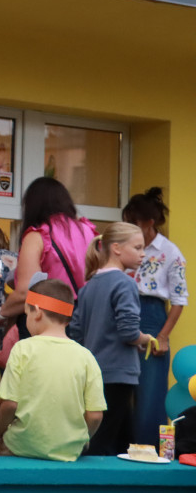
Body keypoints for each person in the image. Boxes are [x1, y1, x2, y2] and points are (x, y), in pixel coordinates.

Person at [0, 279, 105, 461]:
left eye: (27, 314)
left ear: (38, 312)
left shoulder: (22, 349)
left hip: (20, 447)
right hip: (67, 452)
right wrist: (82, 439)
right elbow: (95, 415)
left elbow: (9, 404)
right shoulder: (86, 357)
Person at [68, 222, 153, 456]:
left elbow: (75, 331)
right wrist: (144, 337)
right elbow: (128, 331)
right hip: (119, 372)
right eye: (137, 247)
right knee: (104, 444)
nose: (143, 253)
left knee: (122, 440)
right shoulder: (125, 283)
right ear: (116, 248)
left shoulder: (88, 286)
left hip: (94, 372)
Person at [0, 177, 98, 339]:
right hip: (86, 320)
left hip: (47, 320)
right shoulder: (88, 230)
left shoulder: (38, 236)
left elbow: (26, 291)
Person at [122, 187, 188, 445]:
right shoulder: (124, 248)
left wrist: (163, 336)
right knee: (117, 390)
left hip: (151, 316)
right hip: (124, 310)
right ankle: (116, 452)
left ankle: (147, 454)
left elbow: (179, 300)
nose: (128, 226)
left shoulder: (171, 253)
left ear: (149, 222)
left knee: (149, 396)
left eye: (133, 222)